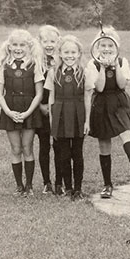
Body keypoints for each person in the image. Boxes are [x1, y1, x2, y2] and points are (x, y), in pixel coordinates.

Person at [86, 26, 130, 199]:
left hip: (119, 101)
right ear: (97, 47)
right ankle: (107, 184)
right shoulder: (92, 64)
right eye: (103, 45)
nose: (106, 49)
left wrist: (114, 66)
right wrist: (102, 68)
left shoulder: (122, 62)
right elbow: (99, 87)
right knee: (104, 143)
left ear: (117, 48)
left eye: (110, 46)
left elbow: (122, 84)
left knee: (125, 131)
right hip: (101, 103)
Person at [0, 29, 45, 195]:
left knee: (27, 147)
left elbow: (39, 93)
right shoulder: (4, 67)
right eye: (15, 44)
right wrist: (8, 112)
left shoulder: (34, 65)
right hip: (11, 109)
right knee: (15, 149)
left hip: (29, 110)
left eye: (22, 45)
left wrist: (29, 112)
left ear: (28, 46)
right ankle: (19, 185)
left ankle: (29, 186)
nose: (18, 48)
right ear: (9, 46)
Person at [46, 35, 90, 200]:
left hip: (78, 114)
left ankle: (78, 188)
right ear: (60, 53)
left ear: (79, 53)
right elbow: (51, 98)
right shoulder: (53, 72)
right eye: (66, 52)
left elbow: (87, 98)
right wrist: (52, 119)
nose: (70, 55)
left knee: (77, 153)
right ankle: (68, 187)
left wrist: (87, 121)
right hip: (60, 114)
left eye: (73, 52)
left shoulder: (84, 72)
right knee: (63, 153)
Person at [36, 25, 60, 194]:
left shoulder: (62, 60)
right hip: (41, 108)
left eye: (53, 41)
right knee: (44, 146)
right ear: (40, 42)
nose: (49, 44)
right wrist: (40, 105)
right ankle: (47, 181)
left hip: (58, 109)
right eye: (46, 41)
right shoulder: (36, 61)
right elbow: (32, 87)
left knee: (60, 146)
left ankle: (60, 181)